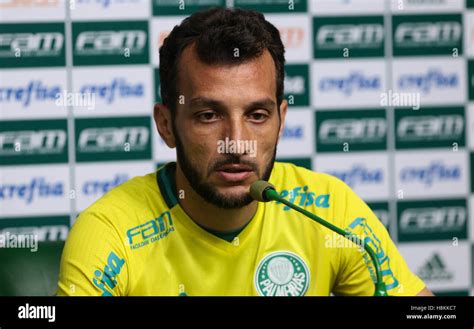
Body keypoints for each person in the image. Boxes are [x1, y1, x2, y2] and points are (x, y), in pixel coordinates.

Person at [57, 7, 432, 296]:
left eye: (256, 115)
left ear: (281, 120)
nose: (236, 142)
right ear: (167, 125)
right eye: (208, 115)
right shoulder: (110, 234)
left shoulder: (328, 209)